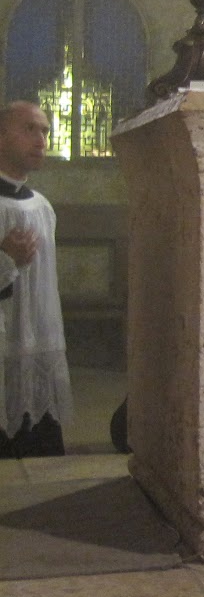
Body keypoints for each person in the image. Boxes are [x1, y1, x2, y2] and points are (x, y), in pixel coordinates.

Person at [0, 101, 71, 458]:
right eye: (29, 129)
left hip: (36, 344)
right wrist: (5, 260)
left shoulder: (42, 206)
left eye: (44, 130)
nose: (42, 139)